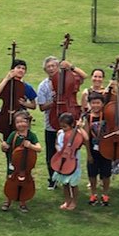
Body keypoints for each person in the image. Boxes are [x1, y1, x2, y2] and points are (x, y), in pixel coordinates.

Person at [37, 55, 86, 189]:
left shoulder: (69, 78)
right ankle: (52, 179)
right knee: (51, 152)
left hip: (70, 119)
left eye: (54, 65)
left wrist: (71, 67)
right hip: (52, 121)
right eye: (48, 67)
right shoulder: (43, 85)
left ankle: (70, 177)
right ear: (45, 70)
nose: (51, 68)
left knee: (70, 151)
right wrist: (54, 102)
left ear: (58, 67)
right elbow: (41, 107)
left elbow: (84, 77)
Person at [1, 110, 42, 212]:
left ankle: (23, 202)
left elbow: (39, 148)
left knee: (24, 183)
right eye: (17, 122)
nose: (20, 124)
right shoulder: (13, 134)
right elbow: (6, 147)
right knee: (10, 181)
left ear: (28, 122)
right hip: (13, 164)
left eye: (22, 121)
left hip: (26, 166)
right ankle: (8, 200)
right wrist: (4, 146)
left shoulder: (31, 135)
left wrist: (31, 145)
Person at [52, 113, 88, 210]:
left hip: (73, 162)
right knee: (65, 183)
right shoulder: (60, 133)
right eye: (61, 126)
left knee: (73, 184)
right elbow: (56, 143)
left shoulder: (77, 134)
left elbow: (86, 138)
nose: (63, 128)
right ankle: (67, 200)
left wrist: (79, 127)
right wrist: (59, 151)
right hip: (62, 160)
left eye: (65, 126)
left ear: (72, 125)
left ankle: (74, 202)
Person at [85, 92, 112, 206]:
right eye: (93, 103)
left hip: (106, 149)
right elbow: (86, 137)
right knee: (92, 174)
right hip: (93, 149)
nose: (96, 105)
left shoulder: (107, 114)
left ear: (102, 104)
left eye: (98, 103)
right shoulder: (87, 117)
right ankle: (93, 194)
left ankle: (105, 194)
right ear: (90, 104)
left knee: (106, 174)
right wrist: (88, 154)